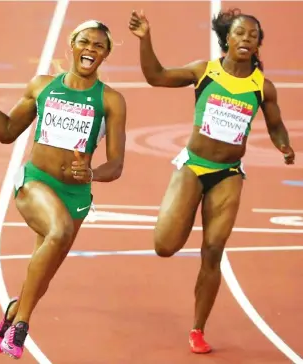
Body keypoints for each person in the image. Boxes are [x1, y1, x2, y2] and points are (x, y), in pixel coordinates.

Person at [129, 8, 295, 354]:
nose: (246, 39)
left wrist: (284, 145)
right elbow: (156, 76)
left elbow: (276, 124)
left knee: (214, 250)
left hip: (228, 173)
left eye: (252, 35)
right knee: (164, 246)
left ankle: (197, 329)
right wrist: (145, 39)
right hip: (193, 166)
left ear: (258, 44)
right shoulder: (204, 71)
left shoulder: (262, 87)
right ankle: (184, 213)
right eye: (239, 33)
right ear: (227, 40)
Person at [0, 20, 127, 360]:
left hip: (75, 195)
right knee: (57, 232)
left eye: (99, 46)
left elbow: (116, 165)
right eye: (85, 42)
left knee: (42, 278)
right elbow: (6, 132)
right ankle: (22, 325)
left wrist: (93, 173)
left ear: (105, 54)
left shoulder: (112, 101)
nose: (91, 49)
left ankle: (14, 309)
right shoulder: (42, 86)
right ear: (71, 46)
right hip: (35, 183)